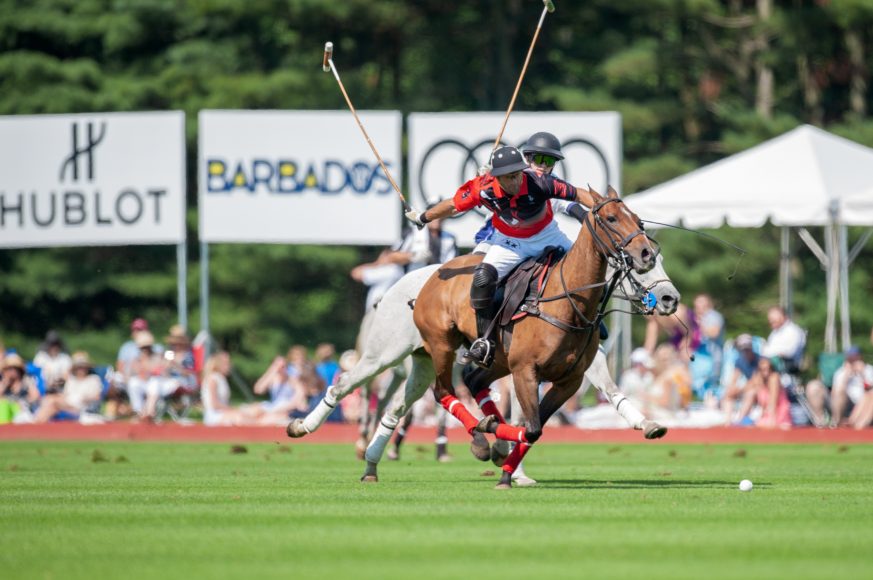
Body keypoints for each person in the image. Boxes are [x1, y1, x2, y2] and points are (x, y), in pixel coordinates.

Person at [405, 144, 597, 367]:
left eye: (517, 175)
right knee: (482, 278)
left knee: (585, 270)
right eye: (508, 177)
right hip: (511, 243)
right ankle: (483, 340)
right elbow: (452, 205)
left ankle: (593, 322)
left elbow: (579, 194)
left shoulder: (539, 180)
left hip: (547, 235)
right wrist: (423, 218)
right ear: (496, 177)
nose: (515, 181)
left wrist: (602, 208)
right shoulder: (483, 188)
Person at [806, 345, 873, 427]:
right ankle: (832, 421)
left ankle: (858, 423)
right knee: (814, 386)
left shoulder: (869, 370)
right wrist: (847, 374)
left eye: (854, 357)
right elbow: (836, 392)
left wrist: (862, 374)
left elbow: (869, 390)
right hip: (844, 403)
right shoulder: (841, 372)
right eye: (850, 357)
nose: (852, 360)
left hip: (863, 402)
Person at [33, 351, 103, 423]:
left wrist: (84, 398)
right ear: (75, 368)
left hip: (81, 407)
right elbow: (65, 395)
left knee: (52, 401)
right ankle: (37, 423)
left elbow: (97, 396)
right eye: (79, 367)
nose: (81, 369)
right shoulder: (71, 379)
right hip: (67, 404)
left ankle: (34, 423)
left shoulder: (94, 379)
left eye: (83, 367)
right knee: (50, 403)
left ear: (87, 368)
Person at [736, 356, 792, 429]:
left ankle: (742, 422)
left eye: (768, 369)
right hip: (766, 414)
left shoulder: (774, 378)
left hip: (778, 413)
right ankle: (740, 419)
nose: (766, 372)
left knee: (755, 427)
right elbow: (743, 389)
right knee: (751, 393)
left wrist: (772, 419)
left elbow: (773, 401)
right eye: (762, 369)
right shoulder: (758, 379)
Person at [720, 334, 761, 424]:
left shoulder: (760, 360)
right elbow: (735, 377)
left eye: (747, 349)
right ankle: (728, 421)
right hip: (749, 387)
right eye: (743, 350)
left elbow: (756, 381)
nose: (746, 352)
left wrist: (740, 389)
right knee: (729, 394)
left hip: (760, 389)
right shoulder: (740, 360)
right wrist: (732, 388)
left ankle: (739, 421)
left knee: (751, 393)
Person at [762, 306, 806, 371]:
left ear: (782, 317)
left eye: (773, 319)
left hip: (787, 366)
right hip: (772, 363)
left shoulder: (793, 331)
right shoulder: (774, 333)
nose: (770, 322)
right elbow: (766, 349)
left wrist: (774, 353)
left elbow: (790, 352)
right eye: (770, 320)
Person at [0, 353, 41, 423]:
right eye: (9, 369)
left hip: (23, 413)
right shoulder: (3, 384)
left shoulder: (26, 381)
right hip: (6, 414)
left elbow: (36, 397)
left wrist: (23, 402)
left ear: (20, 370)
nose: (12, 371)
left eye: (14, 368)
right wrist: (5, 383)